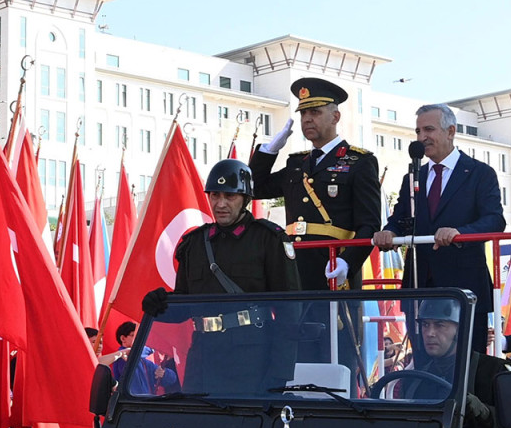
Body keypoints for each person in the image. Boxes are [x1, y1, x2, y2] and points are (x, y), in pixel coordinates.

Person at [144, 158, 301, 396]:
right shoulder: (194, 243)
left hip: (252, 358)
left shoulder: (267, 239)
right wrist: (159, 304)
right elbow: (185, 305)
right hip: (203, 357)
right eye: (215, 195)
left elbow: (290, 310)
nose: (220, 204)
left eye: (230, 196)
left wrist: (279, 373)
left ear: (246, 199)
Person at [374, 103, 505, 354]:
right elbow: (402, 219)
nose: (422, 137)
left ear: (451, 131)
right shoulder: (413, 177)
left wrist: (460, 233)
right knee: (425, 363)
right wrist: (389, 231)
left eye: (429, 129)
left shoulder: (479, 173)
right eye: (418, 131)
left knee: (467, 363)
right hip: (420, 284)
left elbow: (494, 221)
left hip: (463, 285)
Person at [248, 78, 380, 292]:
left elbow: (370, 224)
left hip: (334, 267)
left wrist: (348, 262)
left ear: (335, 117)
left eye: (315, 112)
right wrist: (268, 152)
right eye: (303, 113)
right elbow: (253, 188)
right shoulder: (297, 163)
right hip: (294, 269)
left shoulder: (359, 162)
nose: (307, 119)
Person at [402, 298, 510, 428]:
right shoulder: (414, 379)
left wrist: (483, 412)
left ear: (459, 329)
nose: (429, 333)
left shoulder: (493, 371)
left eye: (439, 325)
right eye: (425, 325)